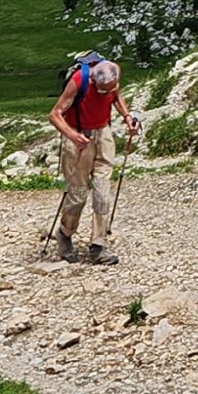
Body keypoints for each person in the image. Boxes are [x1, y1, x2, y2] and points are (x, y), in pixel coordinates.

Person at [46, 51, 139, 264]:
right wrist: (72, 135)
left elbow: (115, 96)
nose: (105, 92)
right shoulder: (80, 80)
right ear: (94, 80)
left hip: (103, 133)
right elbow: (55, 114)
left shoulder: (111, 80)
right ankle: (65, 233)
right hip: (79, 136)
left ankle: (99, 245)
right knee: (78, 194)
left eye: (110, 88)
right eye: (101, 89)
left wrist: (127, 117)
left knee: (102, 192)